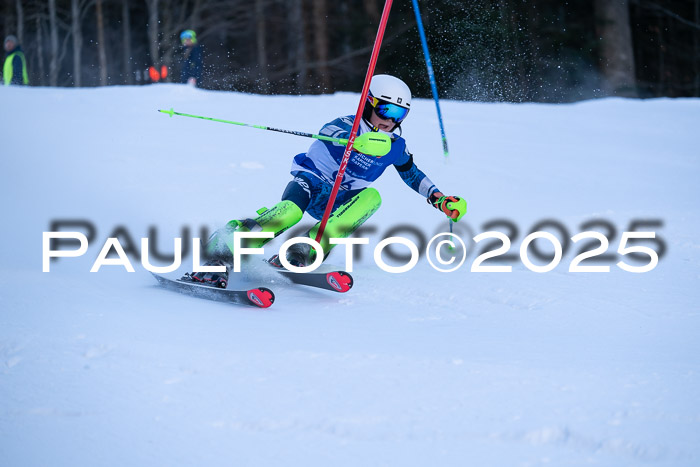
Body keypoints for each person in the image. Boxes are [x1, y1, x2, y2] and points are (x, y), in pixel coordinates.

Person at [190, 74, 467, 287]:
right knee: (289, 212)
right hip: (311, 183)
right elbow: (329, 133)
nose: (390, 121)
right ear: (368, 103)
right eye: (386, 110)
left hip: (341, 200)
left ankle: (303, 251)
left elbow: (412, 173)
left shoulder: (395, 145)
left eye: (399, 114)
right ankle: (223, 251)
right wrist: (357, 142)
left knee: (373, 197)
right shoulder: (345, 125)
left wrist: (438, 198)